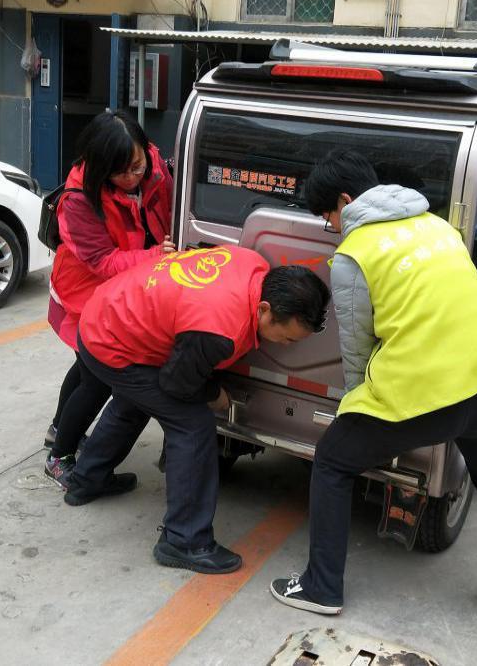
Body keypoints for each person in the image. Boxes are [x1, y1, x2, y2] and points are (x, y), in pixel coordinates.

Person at [270, 148, 477, 635]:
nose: (331, 226)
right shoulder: (439, 226)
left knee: (334, 461)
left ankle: (321, 588)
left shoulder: (355, 254)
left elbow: (357, 349)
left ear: (344, 200)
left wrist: (354, 412)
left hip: (420, 395)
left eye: (327, 216)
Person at [63, 245, 330, 574]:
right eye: (286, 338)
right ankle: (184, 540)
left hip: (109, 313)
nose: (285, 346)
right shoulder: (220, 329)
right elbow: (177, 384)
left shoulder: (252, 264)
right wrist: (214, 393)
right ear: (264, 309)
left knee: (135, 400)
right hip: (110, 341)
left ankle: (87, 479)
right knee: (192, 425)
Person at [45, 110, 175, 487]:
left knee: (85, 369)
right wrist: (156, 257)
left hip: (131, 285)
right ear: (101, 168)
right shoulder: (78, 200)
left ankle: (58, 429)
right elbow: (102, 262)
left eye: (137, 165)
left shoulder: (151, 164)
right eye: (122, 173)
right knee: (98, 378)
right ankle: (59, 458)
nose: (135, 176)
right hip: (86, 291)